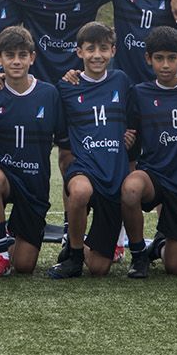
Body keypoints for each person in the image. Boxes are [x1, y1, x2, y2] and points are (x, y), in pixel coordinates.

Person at [123, 27, 177, 278]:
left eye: (171, 58)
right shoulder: (139, 93)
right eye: (159, 58)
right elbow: (131, 134)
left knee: (174, 267)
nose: (165, 64)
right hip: (152, 175)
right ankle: (139, 255)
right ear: (148, 59)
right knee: (130, 190)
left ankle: (160, 244)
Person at [0, 26, 65, 277]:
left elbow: (64, 140)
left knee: (25, 266)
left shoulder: (49, 94)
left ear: (32, 57)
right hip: (4, 176)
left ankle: (11, 235)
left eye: (22, 55)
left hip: (34, 185)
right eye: (9, 55)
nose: (16, 61)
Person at [49, 22, 134, 279]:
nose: (97, 54)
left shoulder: (121, 81)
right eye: (90, 49)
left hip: (113, 174)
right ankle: (74, 254)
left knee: (99, 269)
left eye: (103, 49)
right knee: (80, 190)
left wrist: (129, 135)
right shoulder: (66, 86)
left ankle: (87, 248)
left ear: (113, 51)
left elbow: (132, 120)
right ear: (79, 52)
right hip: (84, 167)